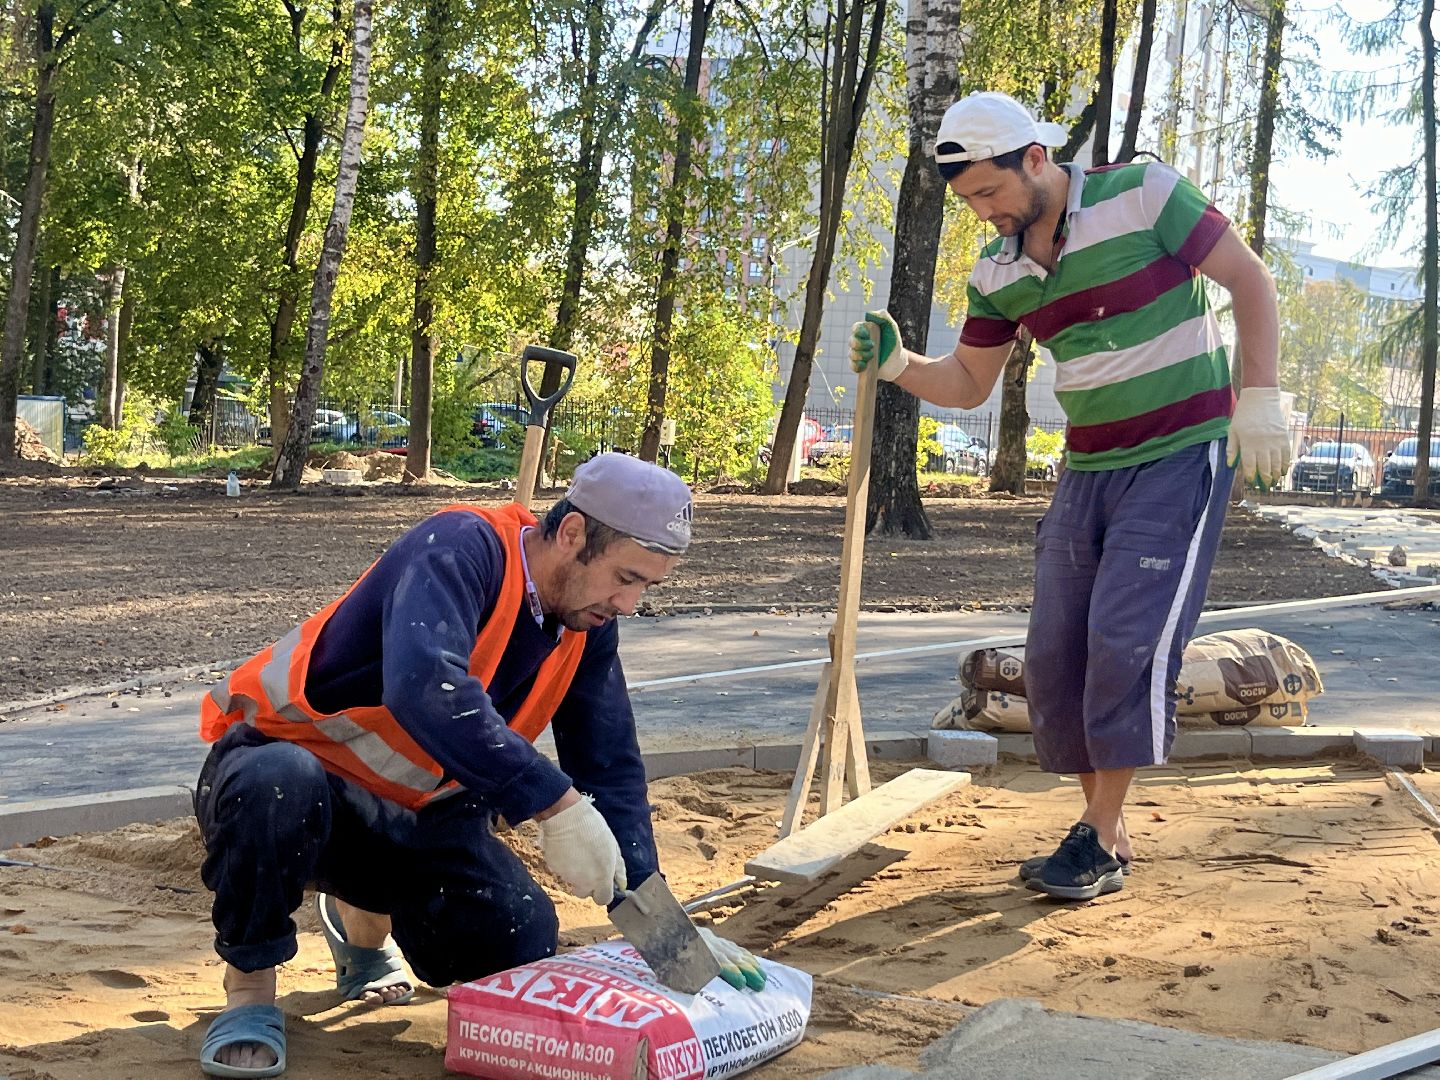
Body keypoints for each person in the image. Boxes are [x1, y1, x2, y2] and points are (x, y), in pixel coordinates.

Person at [850, 91, 1291, 902]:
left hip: (1180, 458)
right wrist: (900, 364)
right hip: (1088, 468)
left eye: (991, 192)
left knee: (1127, 638)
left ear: (1036, 160)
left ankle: (1094, 833)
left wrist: (1258, 398)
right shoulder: (1000, 273)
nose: (985, 213)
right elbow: (969, 379)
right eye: (970, 201)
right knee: (1056, 657)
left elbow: (1249, 281)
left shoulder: (1144, 194)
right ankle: (1107, 837)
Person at [194, 452, 765, 1078]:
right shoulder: (458, 547)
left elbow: (608, 761)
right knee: (275, 786)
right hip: (298, 785)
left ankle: (360, 919)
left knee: (517, 936)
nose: (628, 603)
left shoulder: (587, 622)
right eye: (625, 577)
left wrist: (658, 919)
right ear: (573, 533)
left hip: (418, 816)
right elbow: (425, 688)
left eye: (646, 587)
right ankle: (249, 993)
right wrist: (553, 801)